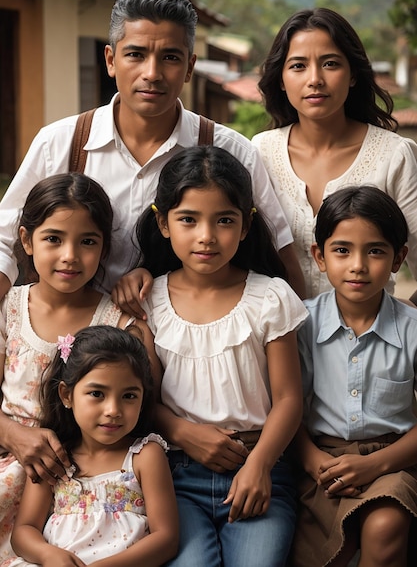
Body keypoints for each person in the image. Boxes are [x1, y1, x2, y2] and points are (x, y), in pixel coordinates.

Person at [0, 0, 305, 308]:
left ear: (190, 67)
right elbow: (6, 238)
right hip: (73, 340)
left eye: (170, 57)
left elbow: (278, 256)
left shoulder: (231, 151)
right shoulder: (61, 143)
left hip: (188, 347)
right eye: (135, 54)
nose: (152, 73)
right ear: (110, 60)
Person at [135, 145, 308, 567]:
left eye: (224, 220)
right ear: (163, 222)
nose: (206, 236)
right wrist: (182, 433)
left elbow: (289, 399)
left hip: (261, 468)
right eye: (188, 220)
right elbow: (146, 399)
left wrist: (260, 466)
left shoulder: (269, 297)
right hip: (176, 479)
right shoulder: (149, 301)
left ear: (246, 226)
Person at [0, 173, 158, 562]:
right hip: (10, 464)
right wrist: (13, 433)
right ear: (25, 240)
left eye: (87, 241)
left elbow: (145, 403)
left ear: (104, 249)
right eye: (53, 239)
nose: (70, 255)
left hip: (82, 484)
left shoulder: (120, 321)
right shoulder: (10, 308)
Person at [252, 7, 417, 300]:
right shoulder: (260, 152)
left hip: (370, 342)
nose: (314, 79)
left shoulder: (394, 156)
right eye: (298, 66)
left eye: (330, 63)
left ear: (353, 74)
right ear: (280, 79)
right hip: (279, 342)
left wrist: (401, 328)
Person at [291, 185, 417, 567]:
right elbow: (284, 406)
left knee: (384, 524)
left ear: (399, 259)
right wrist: (312, 460)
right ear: (319, 256)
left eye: (375, 250)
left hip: (394, 459)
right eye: (342, 250)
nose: (358, 265)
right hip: (318, 459)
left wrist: (375, 465)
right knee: (331, 549)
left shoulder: (412, 329)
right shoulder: (300, 325)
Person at [6, 325, 178, 567]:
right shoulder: (54, 456)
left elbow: (166, 538)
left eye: (129, 396)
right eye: (97, 394)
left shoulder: (144, 455)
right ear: (67, 395)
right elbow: (24, 530)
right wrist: (48, 554)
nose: (113, 411)